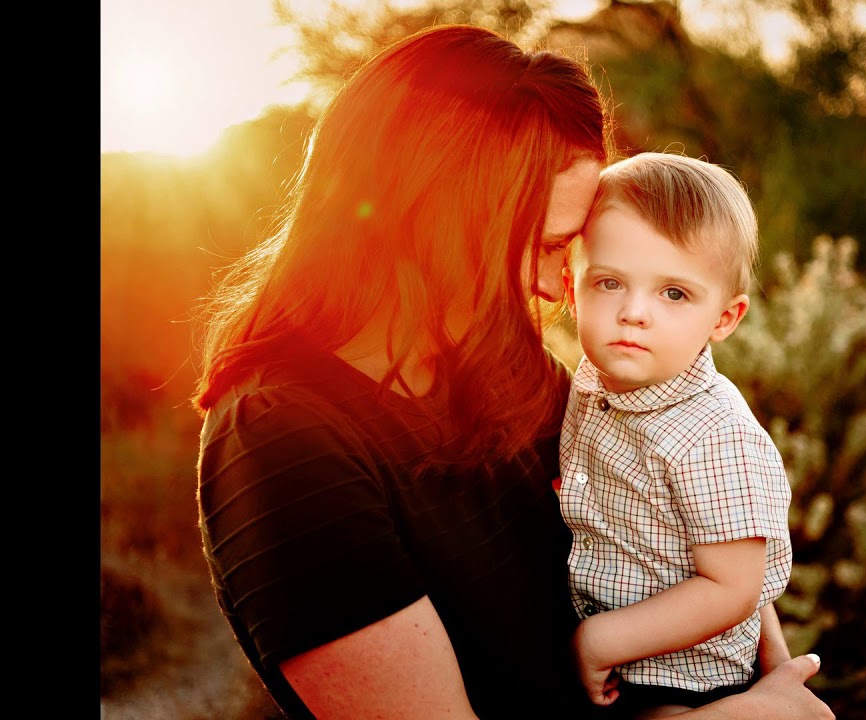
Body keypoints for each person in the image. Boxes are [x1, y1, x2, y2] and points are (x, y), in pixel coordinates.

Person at [191, 23, 833, 720]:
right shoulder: (281, 442)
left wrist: (773, 680)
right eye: (545, 246)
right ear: (434, 220)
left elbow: (681, 527)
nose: (558, 289)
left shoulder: (501, 368)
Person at [557, 152, 794, 718]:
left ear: (724, 318)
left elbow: (733, 587)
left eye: (674, 294)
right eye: (609, 283)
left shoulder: (713, 436)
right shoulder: (590, 384)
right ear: (572, 288)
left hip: (683, 681)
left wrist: (600, 640)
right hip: (618, 662)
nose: (633, 313)